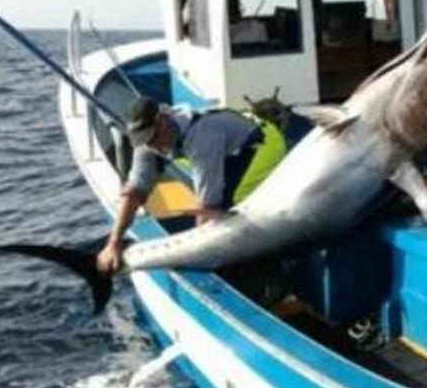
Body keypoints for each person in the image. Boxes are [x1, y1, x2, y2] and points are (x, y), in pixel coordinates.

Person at [96, 97, 287, 272]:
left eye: (153, 138)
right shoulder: (147, 145)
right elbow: (134, 192)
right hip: (228, 148)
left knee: (232, 210)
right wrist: (114, 242)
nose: (152, 146)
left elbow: (208, 206)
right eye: (144, 141)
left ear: (163, 120)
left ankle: (271, 262)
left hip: (262, 144)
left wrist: (196, 255)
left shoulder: (201, 137)